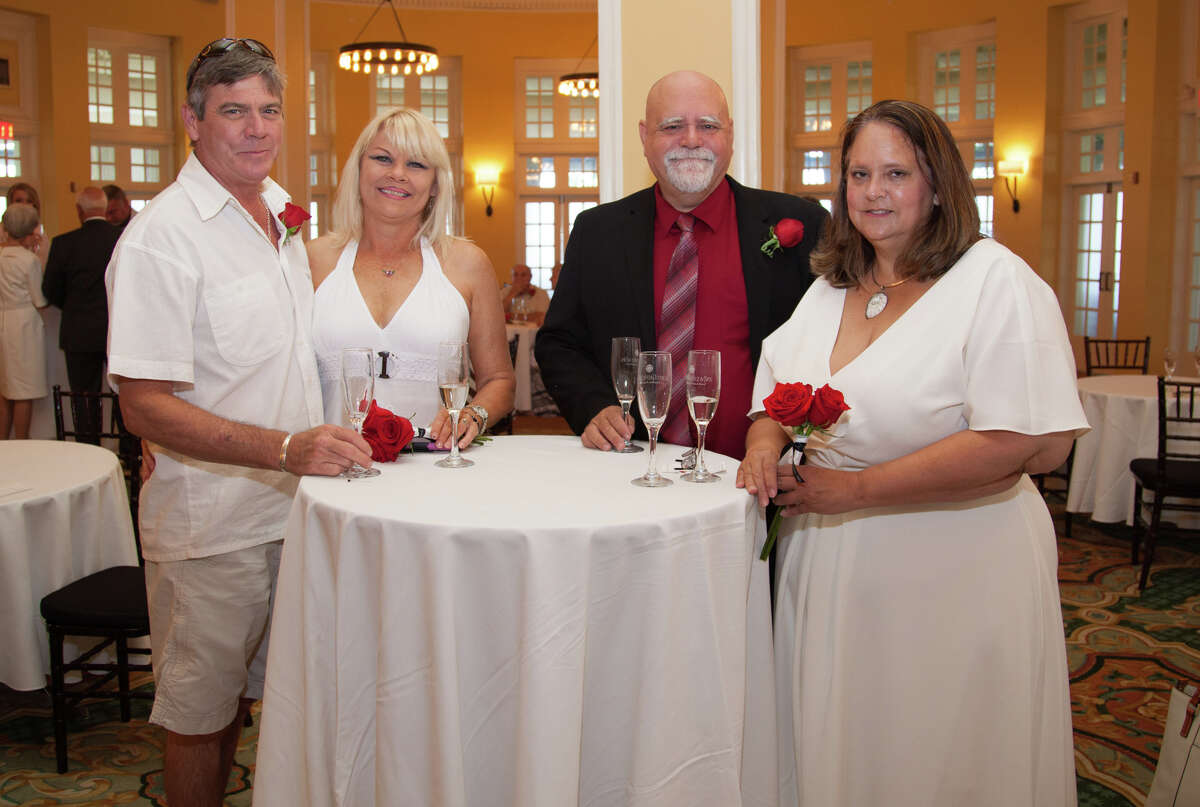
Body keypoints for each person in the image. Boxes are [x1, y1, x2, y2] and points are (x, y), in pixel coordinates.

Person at [737, 100, 1086, 806]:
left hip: (955, 565)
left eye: (896, 173)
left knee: (935, 746)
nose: (874, 191)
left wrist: (855, 491)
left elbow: (1020, 442)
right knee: (847, 744)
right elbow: (776, 395)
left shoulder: (995, 281)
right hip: (831, 562)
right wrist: (763, 447)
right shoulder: (831, 286)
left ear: (938, 183)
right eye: (859, 173)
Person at [106, 38, 373, 807]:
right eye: (234, 111)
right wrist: (285, 449)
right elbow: (143, 404)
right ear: (192, 122)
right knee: (199, 717)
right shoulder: (163, 238)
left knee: (251, 705)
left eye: (269, 110)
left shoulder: (282, 218)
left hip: (293, 515)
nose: (257, 128)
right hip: (211, 527)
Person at [535, 70, 827, 460]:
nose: (691, 140)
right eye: (672, 126)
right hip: (632, 468)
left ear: (730, 134)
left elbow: (829, 344)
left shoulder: (803, 225)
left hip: (757, 474)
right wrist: (594, 405)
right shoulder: (598, 232)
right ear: (644, 137)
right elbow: (559, 344)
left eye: (708, 125)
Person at [308, 106, 513, 448]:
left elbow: (500, 380)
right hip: (336, 465)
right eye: (383, 158)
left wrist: (474, 414)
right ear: (359, 169)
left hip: (436, 465)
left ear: (435, 185)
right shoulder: (313, 261)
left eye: (416, 164)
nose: (398, 174)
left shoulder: (468, 264)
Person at [42, 186, 121, 440]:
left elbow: (49, 290)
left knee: (84, 398)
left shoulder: (64, 243)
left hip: (79, 331)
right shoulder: (122, 238)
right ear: (105, 209)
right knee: (124, 396)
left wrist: (74, 308)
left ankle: (89, 449)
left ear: (79, 210)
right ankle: (130, 452)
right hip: (118, 329)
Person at [0, 203, 48, 439]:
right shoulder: (29, 260)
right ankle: (22, 441)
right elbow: (40, 300)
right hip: (24, 326)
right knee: (23, 390)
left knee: (5, 388)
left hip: (4, 320)